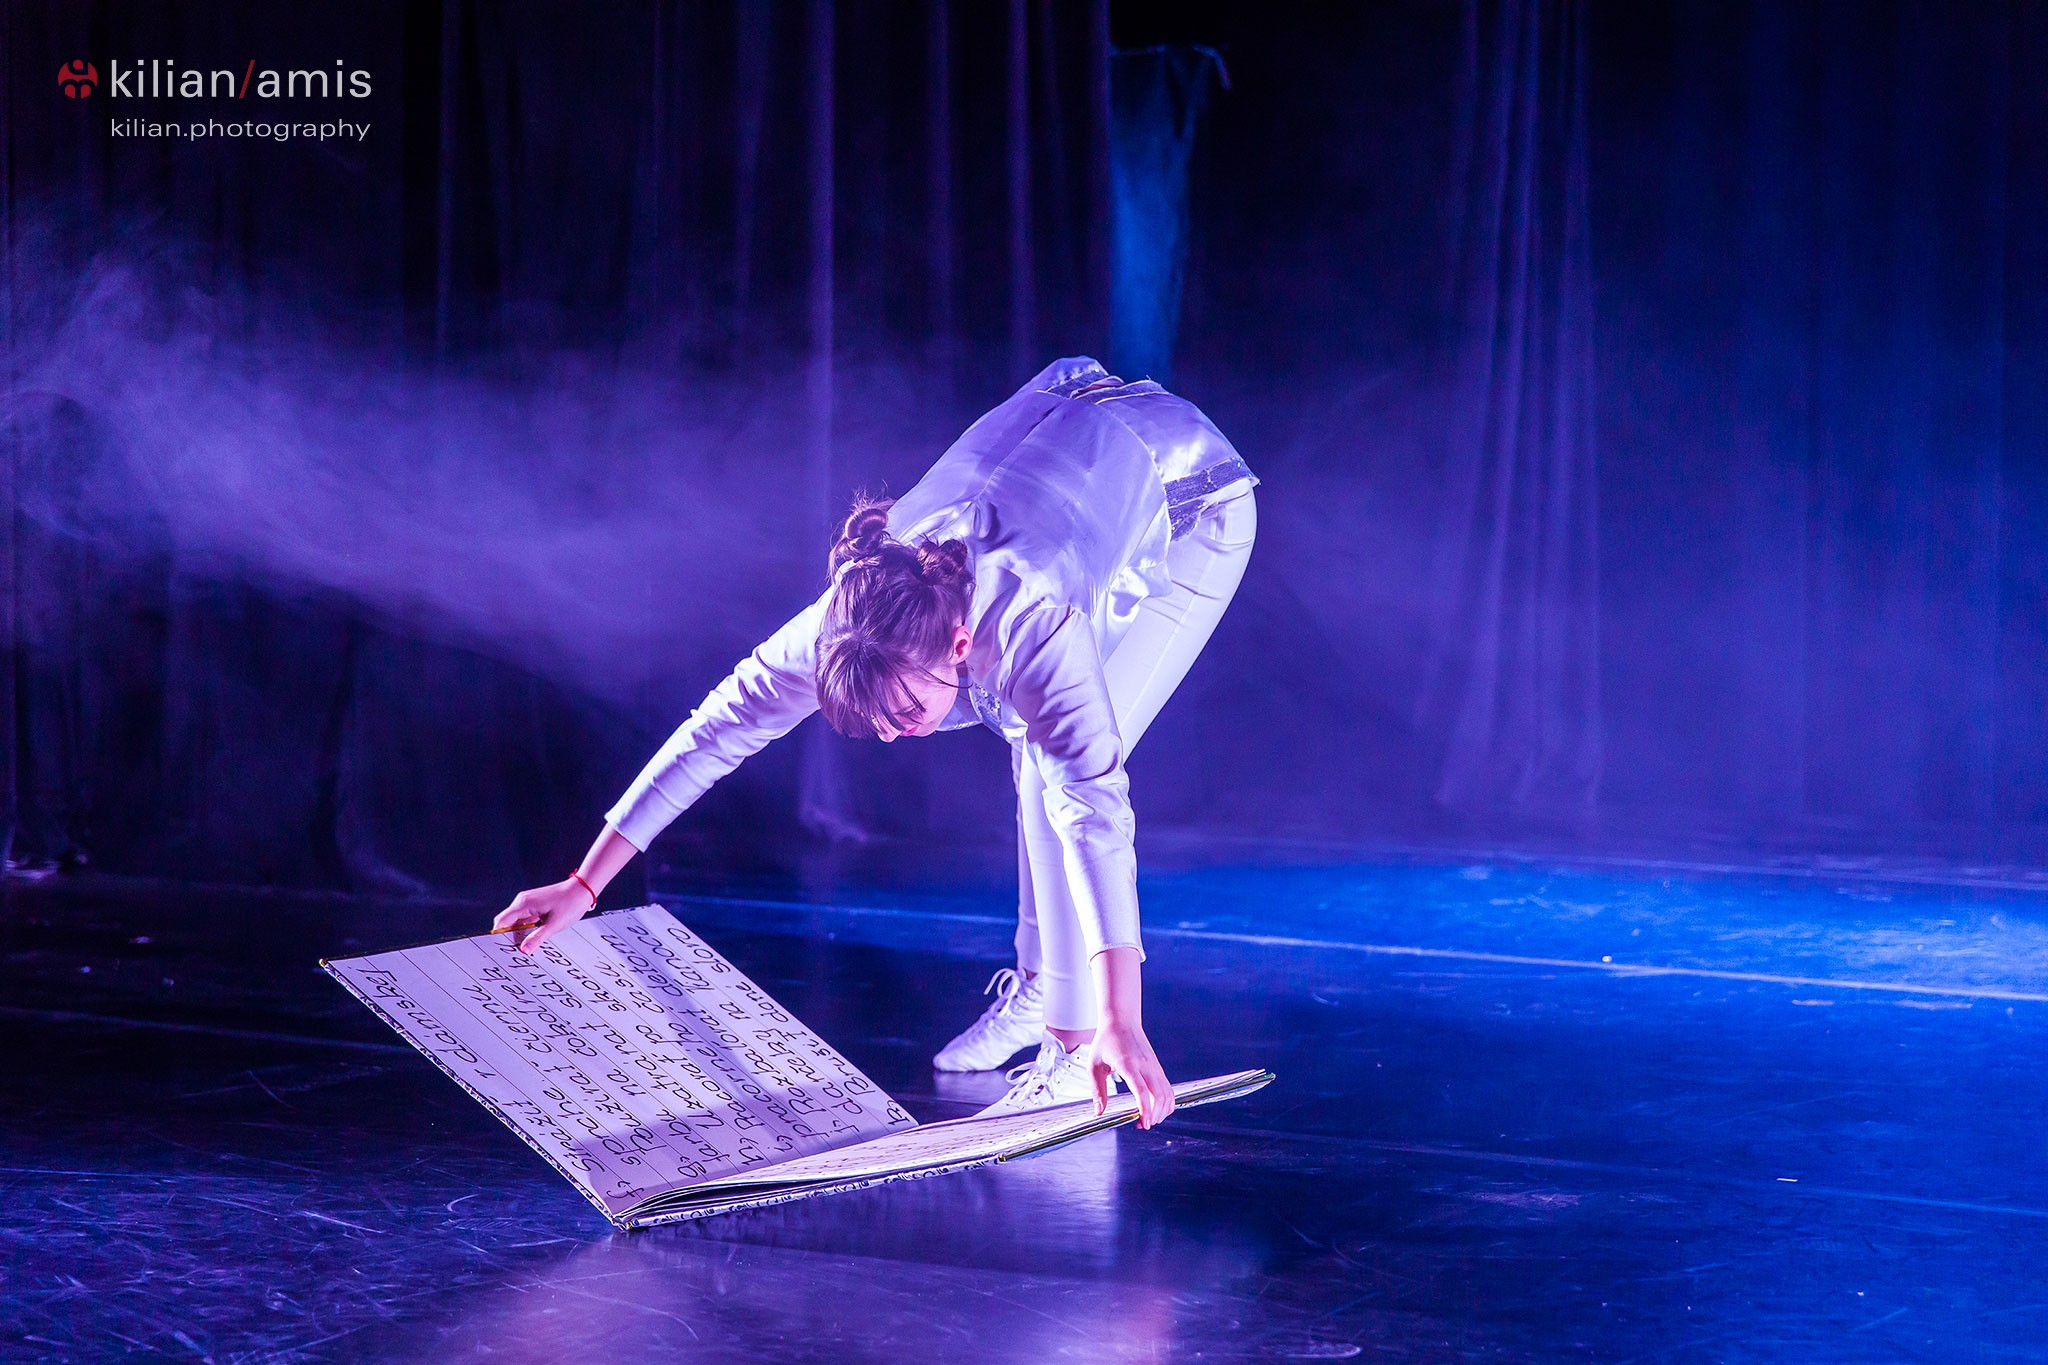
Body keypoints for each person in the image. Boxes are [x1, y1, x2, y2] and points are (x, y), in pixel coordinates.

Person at [493, 357, 1257, 1130]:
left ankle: (1070, 1043)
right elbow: (717, 728)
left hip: (1192, 503)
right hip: (1069, 442)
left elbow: (1093, 806)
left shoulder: (1031, 617)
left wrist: (1120, 1017)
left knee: (1048, 769)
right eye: (876, 721)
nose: (893, 735)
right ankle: (1043, 984)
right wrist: (585, 883)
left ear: (960, 644)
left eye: (905, 710)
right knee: (1032, 749)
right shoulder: (849, 620)